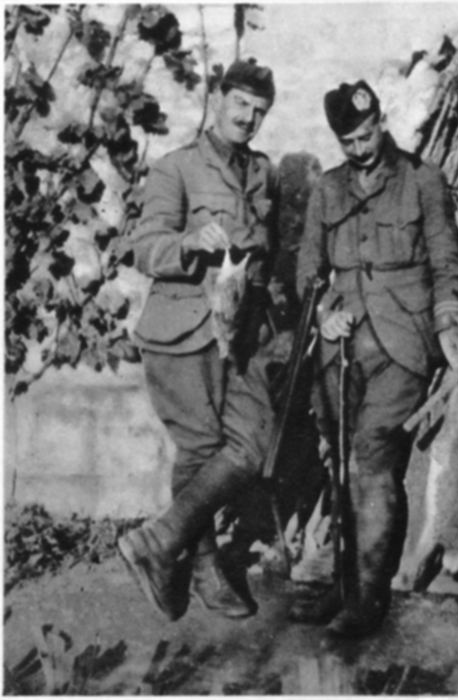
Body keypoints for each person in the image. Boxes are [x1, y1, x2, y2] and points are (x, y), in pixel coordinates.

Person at [291, 80, 458, 637]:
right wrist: (321, 314)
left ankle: (368, 598)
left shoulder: (422, 180)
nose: (361, 149)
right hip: (343, 347)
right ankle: (343, 589)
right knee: (341, 460)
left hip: (403, 342)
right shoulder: (326, 190)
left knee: (372, 457)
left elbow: (446, 259)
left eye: (367, 135)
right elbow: (307, 269)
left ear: (381, 122)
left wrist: (448, 322)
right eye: (349, 141)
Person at [118, 59, 278, 622]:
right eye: (240, 104)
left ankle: (159, 541)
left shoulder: (263, 173)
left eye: (259, 110)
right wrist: (188, 242)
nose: (248, 117)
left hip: (239, 333)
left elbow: (267, 256)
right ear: (218, 100)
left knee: (253, 445)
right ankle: (206, 567)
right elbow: (145, 249)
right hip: (183, 329)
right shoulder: (176, 168)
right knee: (200, 448)